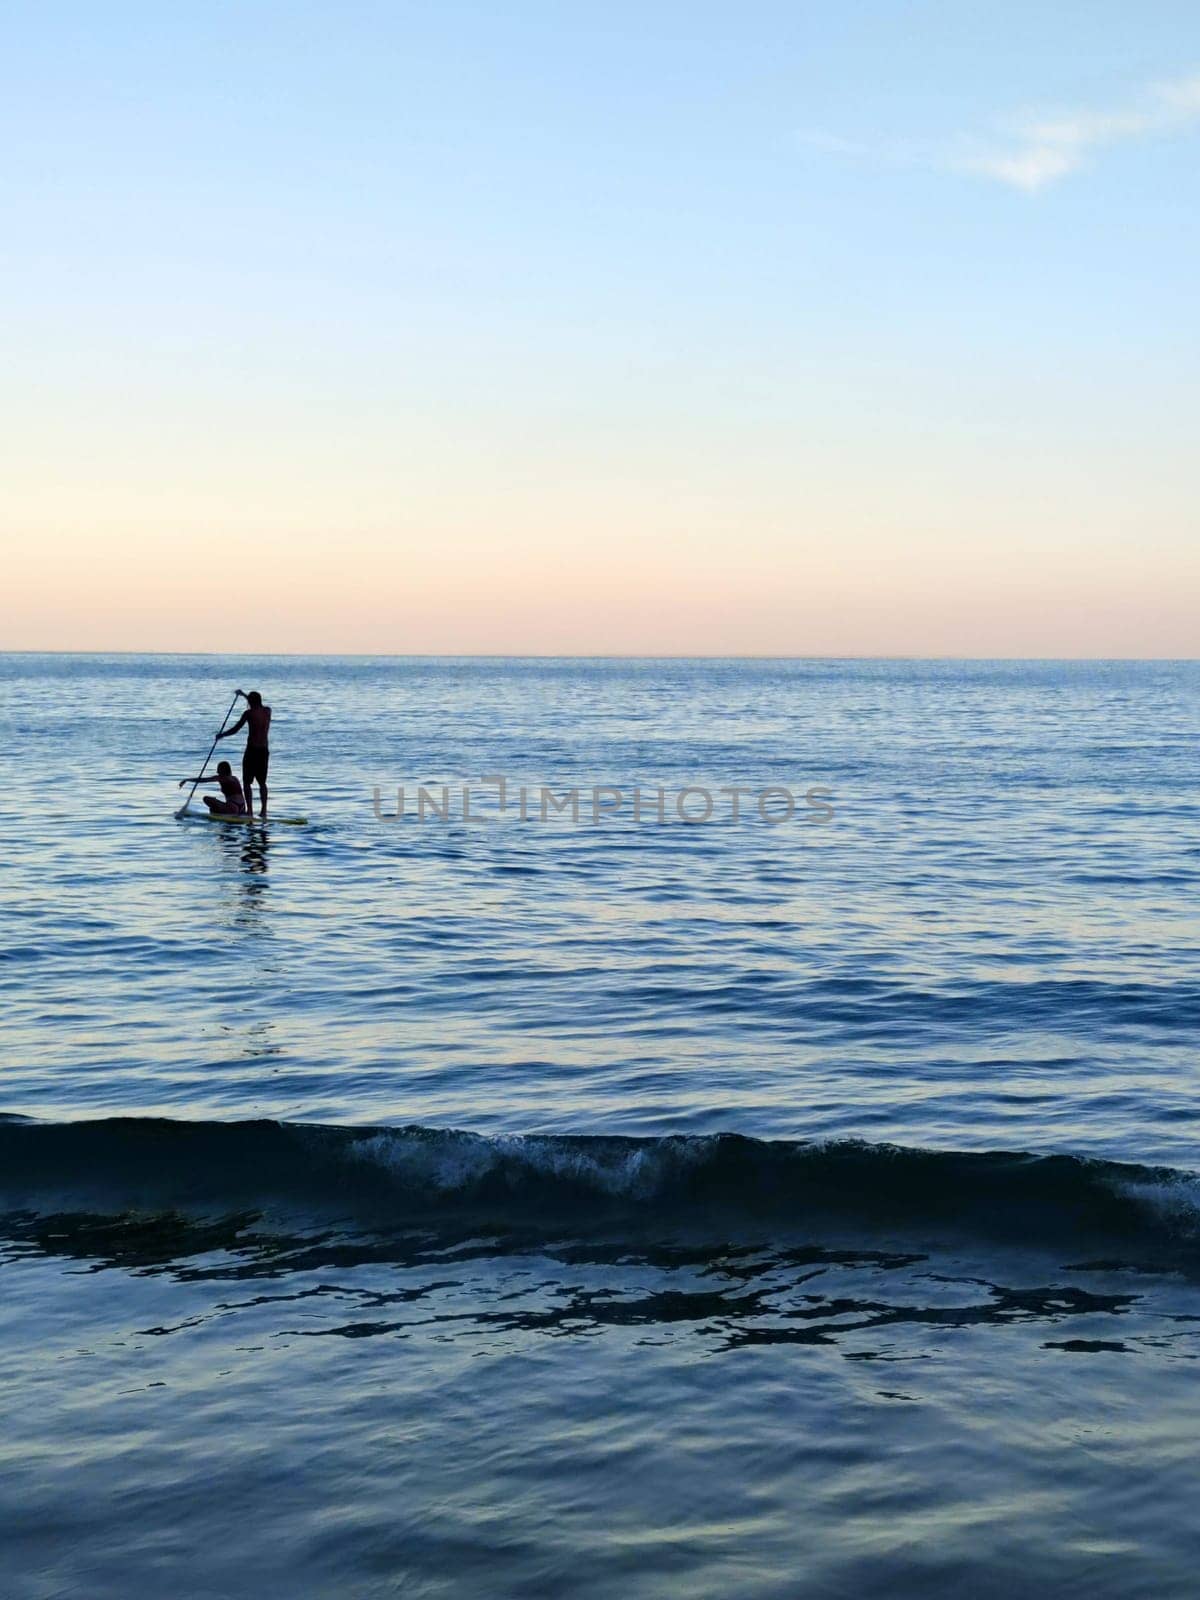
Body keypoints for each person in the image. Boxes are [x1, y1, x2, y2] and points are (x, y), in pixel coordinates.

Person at [217, 688, 272, 819]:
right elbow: (255, 701)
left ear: (250, 702)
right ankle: (264, 811)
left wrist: (222, 735)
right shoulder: (267, 711)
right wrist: (243, 695)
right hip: (264, 751)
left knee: (247, 783)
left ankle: (250, 812)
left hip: (252, 751)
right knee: (262, 782)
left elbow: (236, 729)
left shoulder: (248, 714)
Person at [179, 759, 247, 816]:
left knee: (206, 799)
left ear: (223, 770)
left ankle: (220, 814)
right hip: (242, 807)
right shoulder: (234, 778)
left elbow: (203, 780)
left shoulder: (222, 778)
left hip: (232, 807)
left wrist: (187, 780)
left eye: (219, 769)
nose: (217, 771)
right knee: (213, 808)